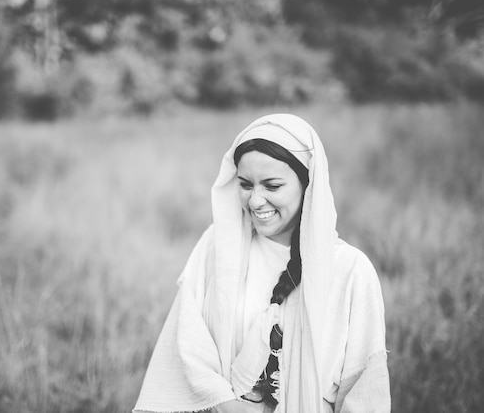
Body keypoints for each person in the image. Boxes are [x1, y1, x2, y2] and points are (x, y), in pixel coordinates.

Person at [133, 114, 390, 413]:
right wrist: (228, 406)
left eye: (272, 185)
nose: (255, 201)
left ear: (308, 184)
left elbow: (363, 390)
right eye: (245, 184)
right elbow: (187, 344)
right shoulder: (219, 246)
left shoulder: (351, 271)